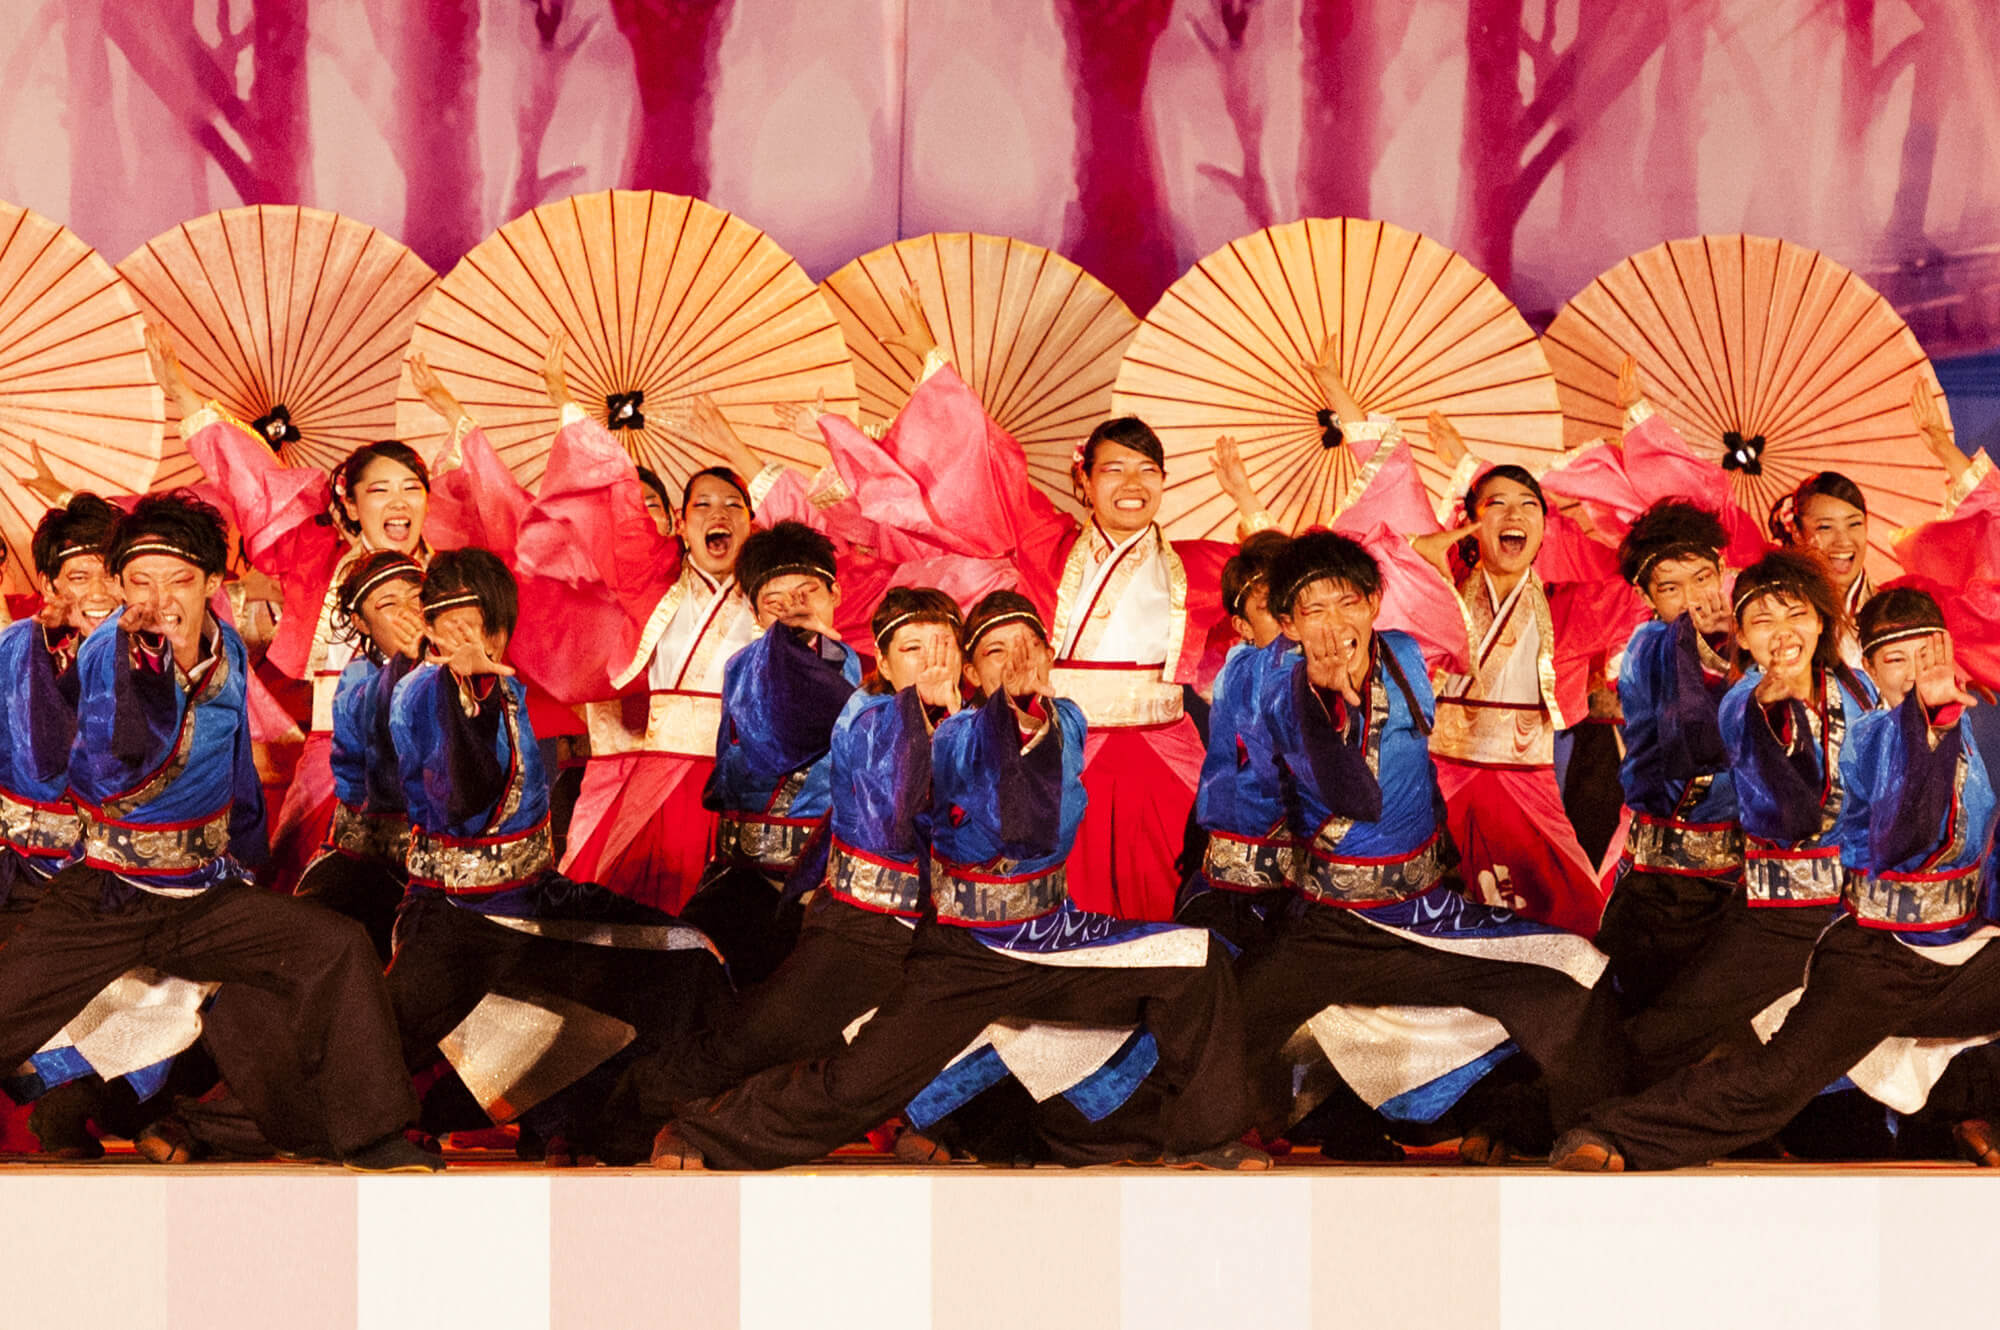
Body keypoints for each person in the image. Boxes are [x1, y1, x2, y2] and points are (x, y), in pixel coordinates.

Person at [649, 590, 1265, 1171]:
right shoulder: (944, 730)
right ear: (970, 668)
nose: (1015, 662)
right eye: (996, 651)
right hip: (965, 951)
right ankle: (703, 1130)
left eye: (1027, 647)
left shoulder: (1063, 720)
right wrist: (931, 713)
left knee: (1197, 960)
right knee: (858, 1082)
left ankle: (1205, 1134)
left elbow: (1044, 806)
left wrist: (1025, 714)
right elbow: (917, 802)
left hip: (1052, 937)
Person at [0, 492, 433, 1171]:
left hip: (203, 894)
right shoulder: (110, 652)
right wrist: (145, 669)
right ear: (121, 587)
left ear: (211, 582)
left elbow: (235, 771)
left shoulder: (228, 647)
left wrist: (248, 866)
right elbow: (117, 745)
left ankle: (374, 1134)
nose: (158, 600)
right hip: (109, 893)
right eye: (140, 582)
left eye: (177, 580)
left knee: (337, 946)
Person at [1554, 601, 1998, 1172]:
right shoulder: (1872, 737)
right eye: (1897, 661)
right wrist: (1928, 720)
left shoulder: (1959, 723)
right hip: (1880, 960)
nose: (1916, 673)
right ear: (1869, 668)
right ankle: (1610, 1132)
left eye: (1927, 655)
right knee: (1775, 1082)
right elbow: (1904, 834)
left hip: (1957, 952)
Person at [1231, 531, 1632, 1152]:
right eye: (1315, 610)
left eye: (1349, 602)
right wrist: (1323, 700)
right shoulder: (1279, 686)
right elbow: (1352, 795)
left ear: (1373, 602)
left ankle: (1588, 1135)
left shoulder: (1404, 655)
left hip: (1425, 913)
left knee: (1575, 970)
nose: (1336, 624)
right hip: (1331, 924)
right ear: (1288, 625)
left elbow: (1413, 769)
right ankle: (1223, 1133)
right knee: (1229, 1017)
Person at [148, 325, 519, 895]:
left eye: (412, 488)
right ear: (350, 501)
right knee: (309, 893)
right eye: (380, 490)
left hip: (432, 760)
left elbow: (503, 514)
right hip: (337, 763)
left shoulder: (449, 575)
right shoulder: (320, 560)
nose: (398, 501)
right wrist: (185, 397)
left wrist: (454, 416)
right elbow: (254, 484)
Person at [382, 548, 725, 1158]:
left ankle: (608, 1125)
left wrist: (484, 688)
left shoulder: (505, 685)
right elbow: (462, 793)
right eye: (453, 625)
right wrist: (471, 696)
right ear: (428, 627)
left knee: (685, 954)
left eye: (483, 624)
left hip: (535, 901)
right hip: (455, 919)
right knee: (380, 1055)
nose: (472, 640)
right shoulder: (420, 693)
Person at [607, 588, 965, 1144]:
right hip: (860, 927)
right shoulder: (865, 717)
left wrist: (957, 722)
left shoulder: (977, 725)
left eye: (942, 647)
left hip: (944, 933)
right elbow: (895, 814)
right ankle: (629, 1112)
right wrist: (927, 716)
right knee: (759, 1039)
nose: (929, 663)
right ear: (883, 660)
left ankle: (949, 1132)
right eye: (912, 649)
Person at [1617, 551, 1877, 1085]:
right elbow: (1744, 762)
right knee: (1663, 1037)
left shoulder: (1857, 689)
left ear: (1821, 620)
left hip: (1851, 913)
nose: (1782, 633)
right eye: (1762, 620)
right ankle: (1573, 1115)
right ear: (1741, 634)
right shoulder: (1741, 701)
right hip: (1777, 914)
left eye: (1796, 614)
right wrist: (1768, 708)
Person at [674, 521, 862, 985]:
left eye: (806, 593)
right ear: (755, 613)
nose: (793, 609)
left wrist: (823, 656)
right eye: (775, 602)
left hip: (821, 884)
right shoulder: (744, 668)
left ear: (835, 594)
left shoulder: (864, 672)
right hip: (742, 874)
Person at [1593, 500, 1745, 1012]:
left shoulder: (1742, 638)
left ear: (1722, 571)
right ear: (1645, 596)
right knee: (1651, 1011)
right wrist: (1721, 649)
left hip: (1735, 871)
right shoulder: (1650, 646)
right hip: (1667, 883)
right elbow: (1694, 741)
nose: (1692, 600)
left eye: (1702, 579)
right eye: (1670, 588)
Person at [291, 551, 428, 960]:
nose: (409, 614)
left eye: (417, 598)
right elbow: (382, 736)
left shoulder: (454, 668)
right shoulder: (358, 679)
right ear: (361, 623)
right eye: (388, 605)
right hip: (369, 866)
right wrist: (406, 665)